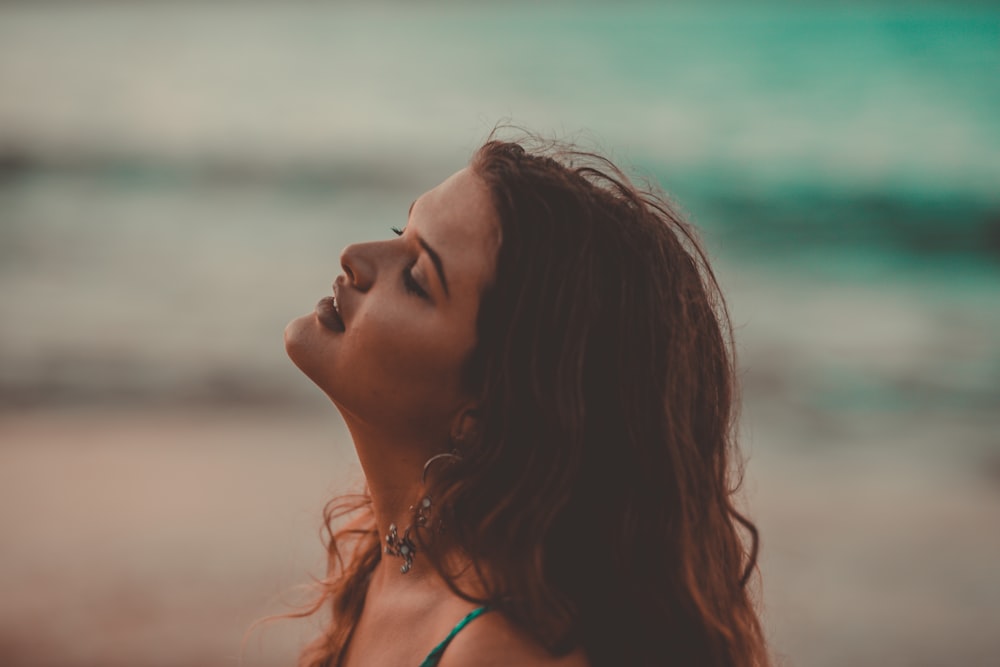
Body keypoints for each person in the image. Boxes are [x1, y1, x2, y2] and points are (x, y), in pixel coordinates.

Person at [283, 133, 770, 667]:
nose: (355, 258)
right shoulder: (387, 556)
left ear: (489, 412)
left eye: (417, 279)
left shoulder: (502, 652)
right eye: (401, 231)